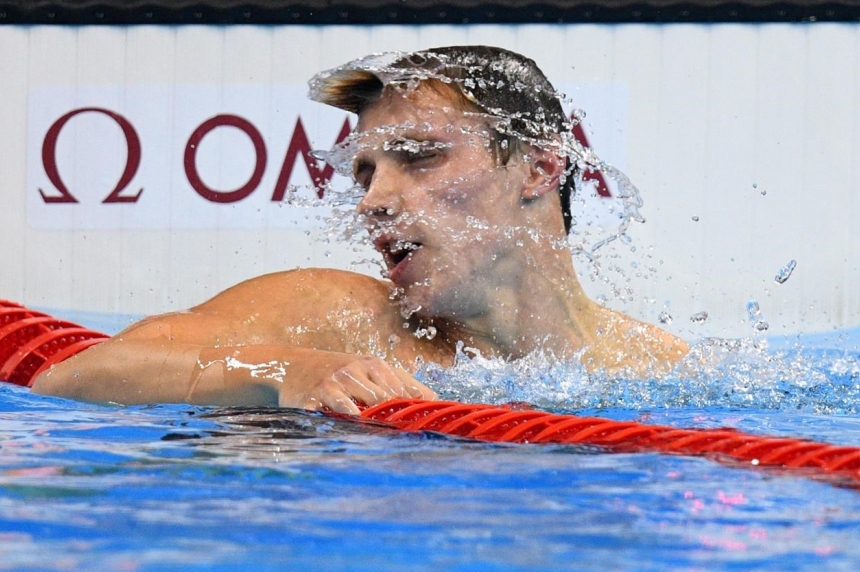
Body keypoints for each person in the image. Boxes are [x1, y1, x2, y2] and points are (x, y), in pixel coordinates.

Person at [31, 46, 689, 414]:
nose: (373, 200)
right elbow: (78, 378)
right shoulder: (342, 317)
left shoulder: (658, 368)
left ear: (539, 169)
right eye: (366, 173)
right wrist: (290, 370)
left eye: (420, 155)